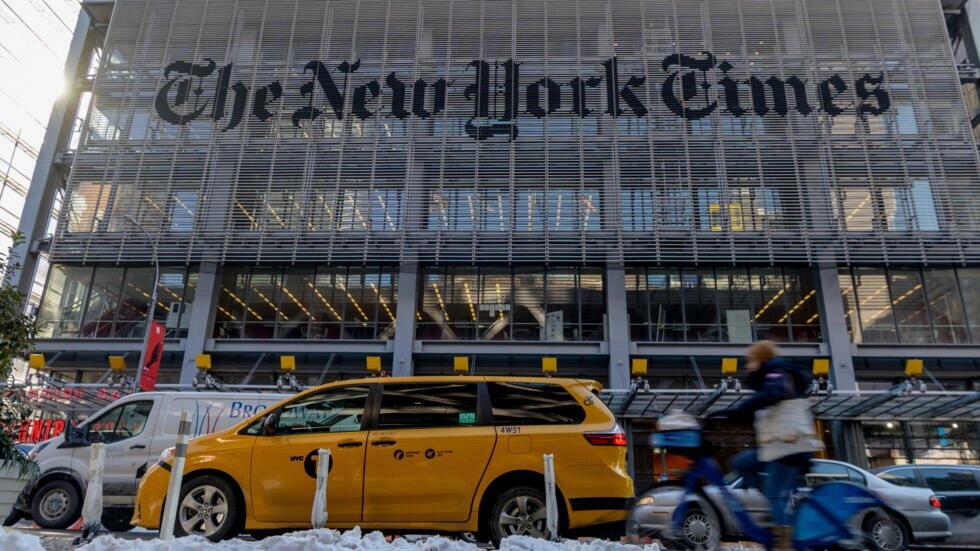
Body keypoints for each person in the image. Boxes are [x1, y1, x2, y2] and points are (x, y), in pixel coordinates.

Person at [709, 340, 823, 551]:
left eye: (750, 361)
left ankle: (783, 541)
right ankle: (776, 504)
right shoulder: (768, 378)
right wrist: (728, 415)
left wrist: (740, 408)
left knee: (773, 492)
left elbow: (773, 394)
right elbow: (757, 412)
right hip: (775, 447)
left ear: (761, 360)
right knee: (740, 463)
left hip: (790, 447)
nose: (747, 366)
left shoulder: (776, 373)